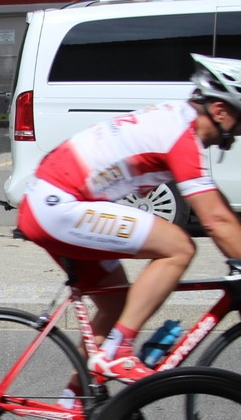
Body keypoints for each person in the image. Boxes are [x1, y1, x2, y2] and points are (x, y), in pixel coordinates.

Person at [17, 53, 241, 389]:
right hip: (59, 205)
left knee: (117, 303)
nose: (239, 132)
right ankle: (117, 351)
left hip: (53, 203)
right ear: (220, 110)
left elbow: (217, 205)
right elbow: (215, 219)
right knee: (178, 247)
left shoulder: (176, 119)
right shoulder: (183, 134)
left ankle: (73, 404)